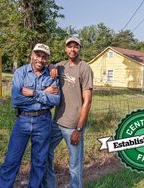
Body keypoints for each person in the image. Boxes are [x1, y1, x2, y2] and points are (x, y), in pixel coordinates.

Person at [0, 43, 60, 188]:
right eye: (38, 55)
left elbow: (56, 99)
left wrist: (33, 93)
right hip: (23, 120)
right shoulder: (21, 72)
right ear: (31, 56)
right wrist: (45, 93)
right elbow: (17, 99)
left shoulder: (51, 75)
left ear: (47, 59)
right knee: (11, 161)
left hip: (43, 121)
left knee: (39, 162)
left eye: (44, 57)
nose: (40, 59)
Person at [43, 37, 93, 188]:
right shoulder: (62, 66)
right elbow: (50, 65)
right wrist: (51, 66)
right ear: (65, 49)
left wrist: (78, 129)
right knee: (44, 153)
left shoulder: (84, 68)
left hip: (73, 125)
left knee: (75, 164)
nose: (72, 49)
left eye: (75, 46)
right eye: (69, 46)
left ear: (79, 48)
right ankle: (49, 185)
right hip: (56, 122)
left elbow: (88, 101)